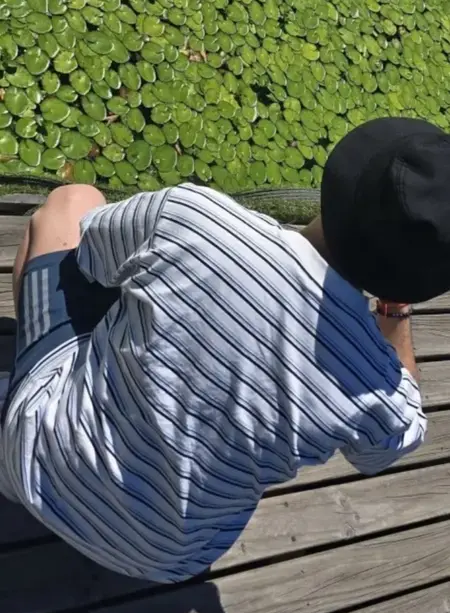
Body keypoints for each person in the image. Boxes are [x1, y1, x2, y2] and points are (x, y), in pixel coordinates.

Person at [0, 117, 445, 583]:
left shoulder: (196, 216)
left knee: (71, 203)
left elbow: (91, 256)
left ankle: (21, 412)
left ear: (347, 176)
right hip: (169, 559)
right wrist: (394, 309)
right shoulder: (376, 386)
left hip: (35, 466)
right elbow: (392, 441)